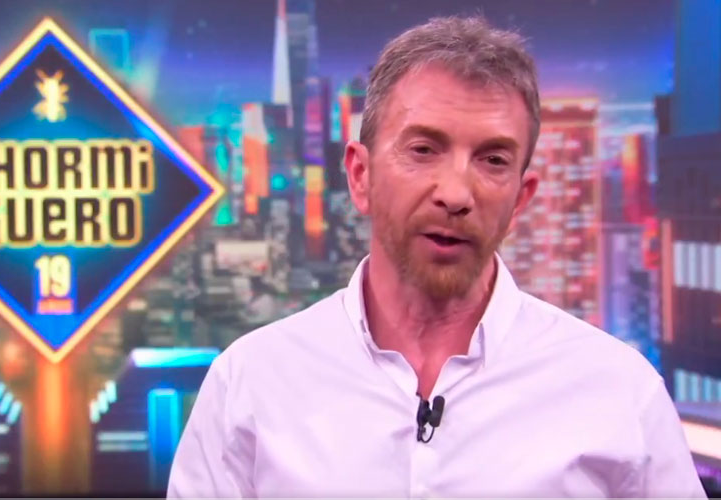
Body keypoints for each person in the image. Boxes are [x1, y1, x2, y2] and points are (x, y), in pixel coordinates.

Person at [168, 16, 705, 498]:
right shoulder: (250, 382)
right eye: (423, 150)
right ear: (360, 175)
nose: (455, 193)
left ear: (520, 200)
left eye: (493, 160)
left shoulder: (620, 392)